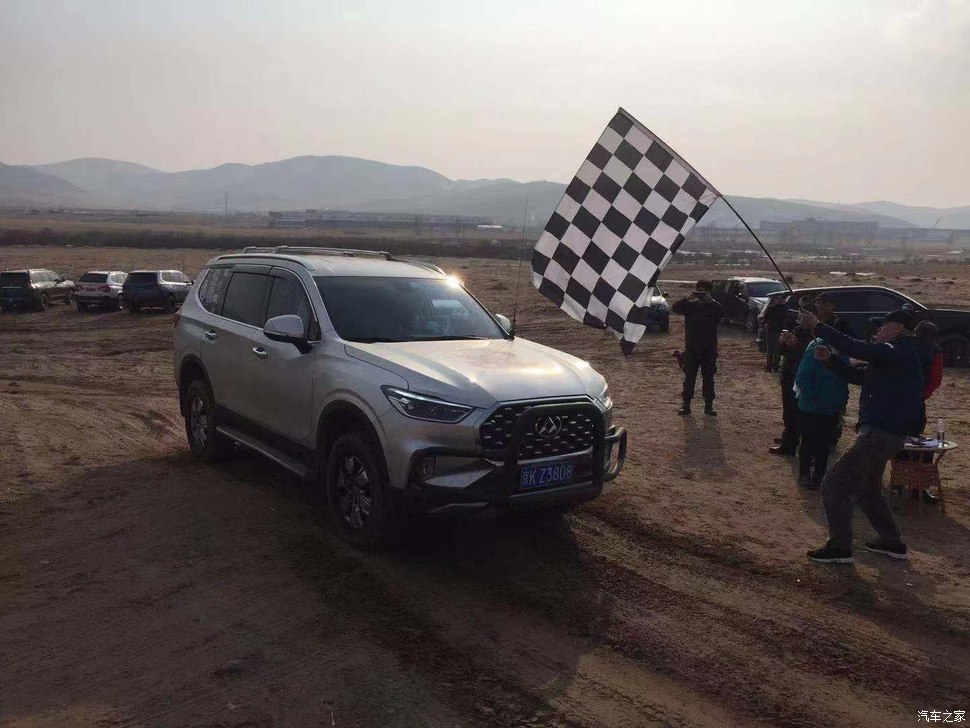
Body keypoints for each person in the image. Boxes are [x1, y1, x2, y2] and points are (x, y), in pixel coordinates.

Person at [798, 308, 923, 564]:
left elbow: (856, 348)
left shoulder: (897, 351)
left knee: (834, 484)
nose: (879, 331)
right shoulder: (897, 356)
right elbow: (861, 376)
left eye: (883, 326)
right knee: (868, 488)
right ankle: (892, 542)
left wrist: (818, 327)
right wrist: (830, 361)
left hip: (879, 434)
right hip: (885, 434)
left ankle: (840, 548)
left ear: (899, 328)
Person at [793, 338, 849, 489]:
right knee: (808, 441)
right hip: (811, 406)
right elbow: (802, 377)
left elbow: (845, 378)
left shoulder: (842, 352)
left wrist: (841, 401)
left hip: (830, 407)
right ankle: (804, 473)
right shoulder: (815, 349)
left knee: (824, 444)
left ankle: (819, 475)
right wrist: (814, 397)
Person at [671, 280, 724, 416]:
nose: (701, 292)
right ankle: (686, 405)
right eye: (699, 289)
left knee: (708, 379)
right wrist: (686, 299)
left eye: (704, 290)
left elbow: (722, 313)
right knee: (689, 379)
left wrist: (711, 302)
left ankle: (708, 407)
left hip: (709, 349)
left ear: (709, 291)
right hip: (692, 348)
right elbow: (675, 308)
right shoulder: (690, 305)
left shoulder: (714, 306)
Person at [769, 320, 814, 456]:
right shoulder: (798, 330)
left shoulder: (815, 334)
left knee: (796, 412)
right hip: (789, 375)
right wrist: (783, 342)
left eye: (804, 313)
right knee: (789, 410)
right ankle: (788, 438)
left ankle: (790, 444)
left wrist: (796, 345)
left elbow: (810, 354)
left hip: (801, 377)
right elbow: (782, 351)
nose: (800, 317)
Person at [763, 293, 789, 372]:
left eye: (779, 299)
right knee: (769, 351)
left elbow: (785, 318)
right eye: (777, 299)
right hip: (770, 331)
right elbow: (765, 317)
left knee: (777, 351)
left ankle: (775, 367)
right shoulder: (771, 308)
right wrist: (766, 323)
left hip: (779, 332)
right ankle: (768, 367)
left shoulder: (784, 309)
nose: (778, 300)